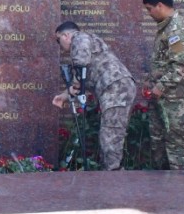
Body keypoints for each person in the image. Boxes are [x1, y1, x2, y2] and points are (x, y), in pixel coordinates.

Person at [51, 21, 136, 170]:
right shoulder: (84, 40)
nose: (61, 47)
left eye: (58, 41)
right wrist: (65, 95)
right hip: (114, 88)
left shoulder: (79, 38)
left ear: (66, 36)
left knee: (111, 133)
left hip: (116, 87)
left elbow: (81, 63)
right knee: (110, 131)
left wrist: (74, 77)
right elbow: (81, 77)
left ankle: (112, 176)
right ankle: (111, 172)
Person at [141, 0, 184, 170]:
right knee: (158, 141)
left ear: (160, 5)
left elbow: (180, 67)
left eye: (150, 9)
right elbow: (163, 63)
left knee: (176, 142)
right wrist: (151, 84)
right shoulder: (166, 27)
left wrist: (160, 86)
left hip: (174, 98)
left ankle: (179, 187)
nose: (149, 14)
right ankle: (161, 187)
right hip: (163, 96)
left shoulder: (176, 29)